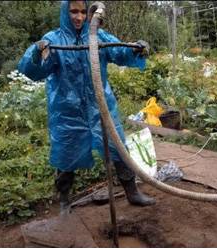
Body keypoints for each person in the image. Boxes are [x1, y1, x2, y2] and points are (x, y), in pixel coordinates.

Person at [17, 0, 155, 214]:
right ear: (65, 12)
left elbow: (120, 52)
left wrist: (137, 49)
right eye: (73, 11)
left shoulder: (98, 37)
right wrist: (36, 53)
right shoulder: (53, 40)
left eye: (83, 11)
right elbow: (32, 70)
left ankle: (132, 193)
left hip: (101, 108)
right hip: (67, 112)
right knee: (66, 157)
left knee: (119, 150)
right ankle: (64, 200)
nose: (79, 17)